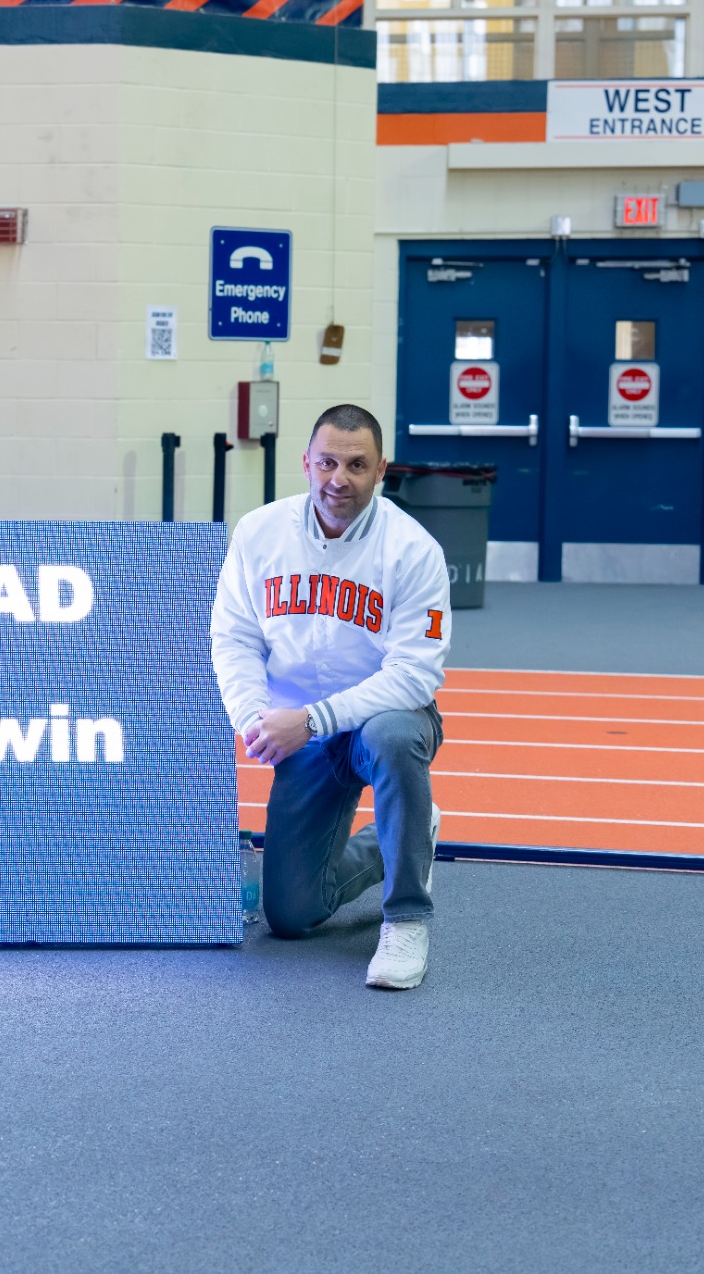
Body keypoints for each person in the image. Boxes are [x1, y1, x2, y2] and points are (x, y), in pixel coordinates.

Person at [210, 404, 451, 990]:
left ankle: (407, 917)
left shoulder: (415, 551)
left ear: (381, 470)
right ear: (306, 463)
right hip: (299, 730)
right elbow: (234, 636)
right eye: (327, 462)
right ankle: (404, 834)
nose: (338, 479)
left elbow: (416, 675)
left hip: (379, 719)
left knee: (394, 738)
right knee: (291, 915)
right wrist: (253, 718)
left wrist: (315, 719)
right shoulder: (259, 532)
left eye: (356, 464)